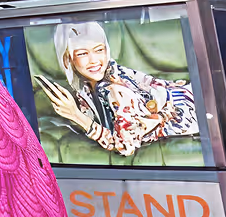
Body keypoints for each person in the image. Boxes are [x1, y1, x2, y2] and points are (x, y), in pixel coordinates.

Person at [36, 21, 198, 158]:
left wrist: (77, 116)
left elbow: (125, 147)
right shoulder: (90, 85)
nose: (94, 61)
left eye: (99, 50)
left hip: (195, 107)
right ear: (67, 59)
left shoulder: (115, 90)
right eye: (83, 53)